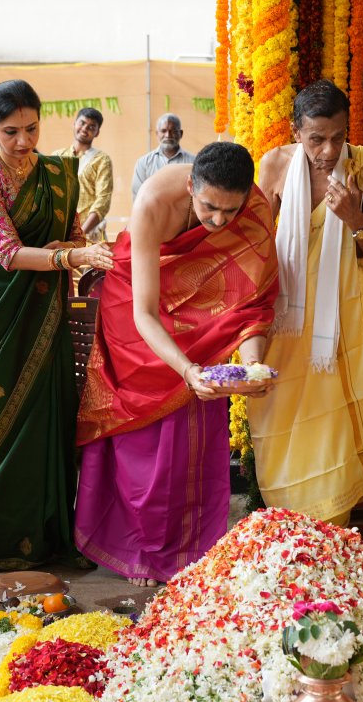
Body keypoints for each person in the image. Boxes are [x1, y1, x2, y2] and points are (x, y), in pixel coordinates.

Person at [76, 141, 280, 586]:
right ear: (190, 185)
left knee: (193, 429)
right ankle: (137, 547)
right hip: (136, 310)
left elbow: (251, 306)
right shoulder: (153, 201)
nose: (219, 221)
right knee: (144, 435)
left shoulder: (254, 208)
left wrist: (251, 369)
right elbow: (144, 312)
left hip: (198, 322)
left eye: (231, 211)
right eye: (209, 208)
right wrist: (187, 371)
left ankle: (192, 549)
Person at [0, 80, 113, 571]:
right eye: (10, 132)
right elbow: (7, 253)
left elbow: (70, 237)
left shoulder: (58, 173)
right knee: (2, 420)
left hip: (48, 309)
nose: (24, 141)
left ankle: (48, 536)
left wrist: (90, 257)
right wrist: (75, 257)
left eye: (31, 128)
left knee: (50, 415)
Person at [248, 80, 363, 526]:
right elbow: (258, 242)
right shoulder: (275, 165)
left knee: (331, 425)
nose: (329, 149)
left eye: (338, 137)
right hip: (288, 320)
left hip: (342, 323)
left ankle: (329, 533)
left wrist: (354, 219)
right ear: (296, 131)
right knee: (280, 417)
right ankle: (286, 529)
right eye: (316, 138)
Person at [54, 107, 113, 242]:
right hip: (60, 233)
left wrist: (80, 234)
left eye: (92, 126)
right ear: (74, 124)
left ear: (97, 132)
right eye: (82, 123)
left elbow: (103, 200)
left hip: (90, 235)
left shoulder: (102, 159)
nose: (85, 128)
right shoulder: (57, 157)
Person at [130, 113, 195, 199]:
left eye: (173, 131)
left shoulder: (194, 162)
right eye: (164, 131)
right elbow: (137, 196)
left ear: (181, 133)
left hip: (184, 212)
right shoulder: (143, 163)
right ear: (157, 134)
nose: (168, 135)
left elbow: (198, 194)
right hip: (153, 212)